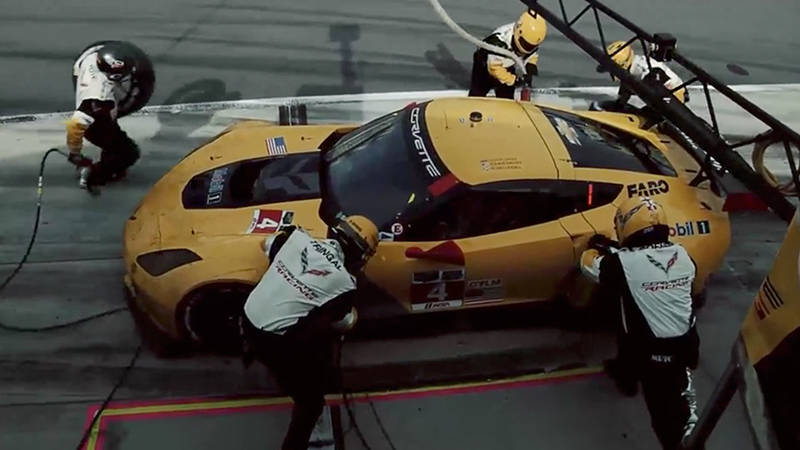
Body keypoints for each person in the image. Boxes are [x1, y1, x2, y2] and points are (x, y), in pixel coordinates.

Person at [240, 215, 379, 450]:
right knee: (311, 404)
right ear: (359, 255)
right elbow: (343, 322)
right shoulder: (344, 284)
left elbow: (267, 244)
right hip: (273, 341)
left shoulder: (295, 238)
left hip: (248, 315)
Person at [580, 196, 700, 450]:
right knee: (684, 408)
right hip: (687, 346)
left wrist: (594, 247)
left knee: (666, 419)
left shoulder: (620, 264)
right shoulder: (682, 255)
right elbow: (646, 262)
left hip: (651, 354)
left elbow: (589, 266)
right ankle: (625, 373)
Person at [66, 41, 155, 190]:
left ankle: (112, 165)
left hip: (101, 116)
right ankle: (92, 175)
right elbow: (75, 124)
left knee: (114, 144)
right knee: (129, 153)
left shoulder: (91, 57)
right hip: (97, 126)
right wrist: (75, 152)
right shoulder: (99, 98)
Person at [468, 9, 547, 99]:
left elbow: (532, 53)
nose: (527, 48)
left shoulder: (528, 38)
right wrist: (514, 80)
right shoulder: (498, 43)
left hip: (508, 64)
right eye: (526, 44)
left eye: (531, 46)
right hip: (485, 66)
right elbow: (494, 68)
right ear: (518, 32)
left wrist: (530, 65)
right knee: (478, 94)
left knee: (507, 97)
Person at [595, 40, 687, 112]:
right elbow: (623, 97)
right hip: (660, 98)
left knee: (650, 118)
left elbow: (661, 87)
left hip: (675, 96)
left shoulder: (644, 70)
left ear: (623, 64)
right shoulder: (630, 73)